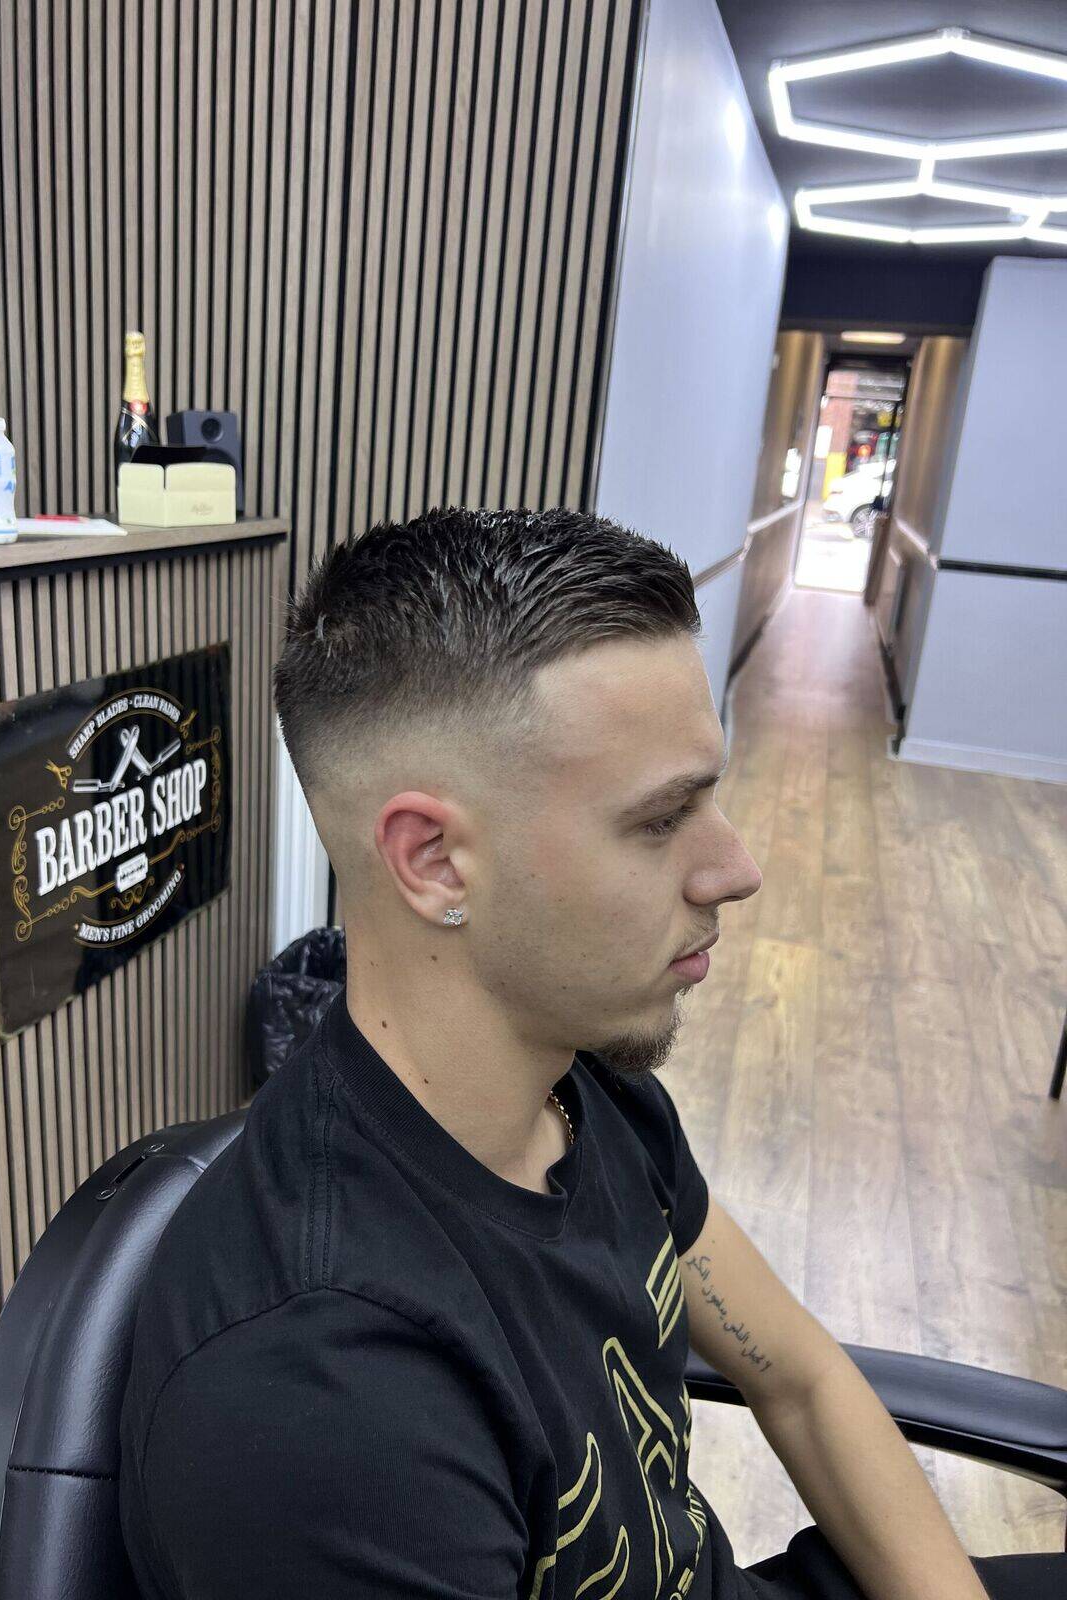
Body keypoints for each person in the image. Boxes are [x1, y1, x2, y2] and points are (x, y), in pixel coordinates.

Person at [119, 507, 1063, 1598]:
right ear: (434, 862)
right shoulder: (325, 1402)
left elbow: (800, 1380)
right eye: (661, 820)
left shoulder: (582, 1080)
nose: (735, 868)